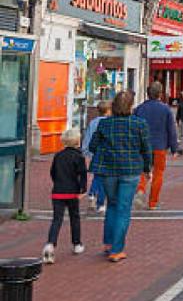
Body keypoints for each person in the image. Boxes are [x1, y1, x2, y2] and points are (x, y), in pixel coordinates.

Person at [89, 91, 152, 262]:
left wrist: (107, 150)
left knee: (112, 205)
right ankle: (117, 250)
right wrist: (147, 168)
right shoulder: (139, 124)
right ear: (131, 106)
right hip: (131, 170)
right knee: (123, 209)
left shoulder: (105, 124)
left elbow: (92, 146)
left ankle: (108, 243)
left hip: (109, 170)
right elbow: (146, 149)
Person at [42, 128, 88, 264]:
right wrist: (82, 190)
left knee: (57, 219)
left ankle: (50, 244)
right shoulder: (79, 157)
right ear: (78, 142)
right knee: (75, 217)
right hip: (72, 192)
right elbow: (83, 175)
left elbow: (53, 173)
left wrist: (57, 183)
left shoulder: (58, 155)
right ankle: (77, 244)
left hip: (58, 192)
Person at [134, 82, 178, 210]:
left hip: (142, 146)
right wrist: (174, 148)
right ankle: (153, 202)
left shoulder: (139, 109)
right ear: (160, 94)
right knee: (158, 173)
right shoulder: (166, 109)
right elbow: (171, 130)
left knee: (143, 171)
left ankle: (141, 189)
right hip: (160, 146)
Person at [83, 101, 111, 214]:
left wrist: (87, 151)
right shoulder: (108, 122)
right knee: (104, 179)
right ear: (108, 111)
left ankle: (92, 194)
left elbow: (88, 137)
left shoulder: (93, 122)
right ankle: (100, 204)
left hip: (95, 153)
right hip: (106, 154)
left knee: (97, 176)